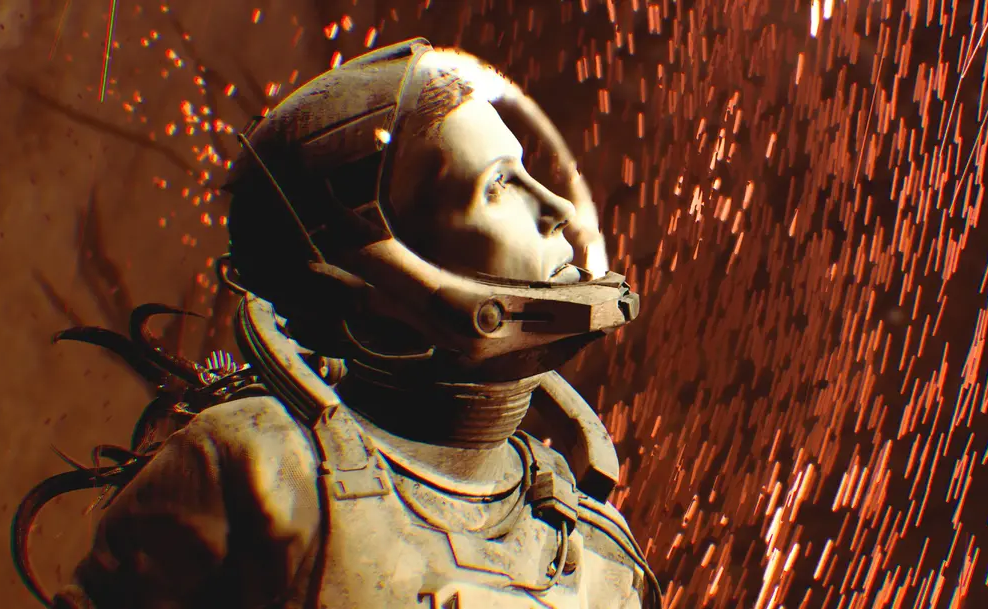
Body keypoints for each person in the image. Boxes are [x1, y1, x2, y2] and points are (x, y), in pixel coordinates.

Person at [45, 38, 660, 608]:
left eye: (526, 174)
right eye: (496, 186)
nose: (555, 207)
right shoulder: (256, 473)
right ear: (375, 274)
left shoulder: (599, 551)